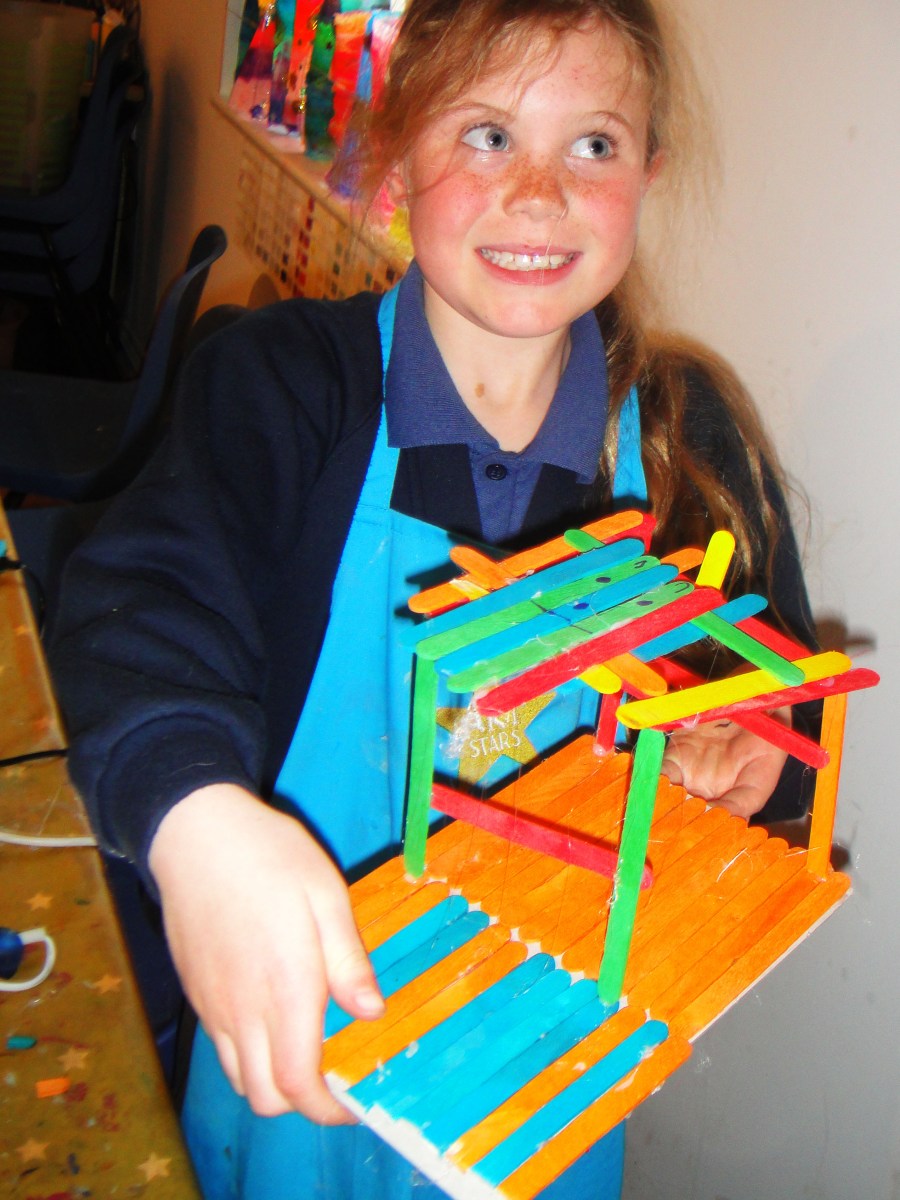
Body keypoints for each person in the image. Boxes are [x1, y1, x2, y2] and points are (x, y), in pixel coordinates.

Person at [50, 1, 818, 1196]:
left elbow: (779, 726)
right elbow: (141, 606)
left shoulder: (691, 448)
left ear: (648, 172)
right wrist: (196, 824)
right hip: (295, 1053)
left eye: (594, 145)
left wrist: (739, 759)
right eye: (487, 135)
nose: (540, 193)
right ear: (398, 154)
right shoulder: (285, 387)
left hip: (544, 1077)